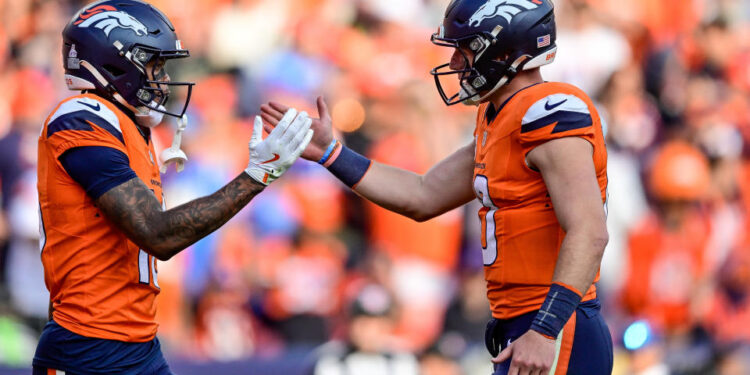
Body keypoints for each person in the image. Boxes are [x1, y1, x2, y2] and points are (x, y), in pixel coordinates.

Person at [261, 0, 612, 373]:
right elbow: (422, 195)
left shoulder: (549, 110)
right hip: (525, 323)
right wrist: (332, 154)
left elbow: (590, 231)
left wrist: (544, 329)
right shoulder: (499, 117)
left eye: (466, 49)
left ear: (504, 50)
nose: (457, 63)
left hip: (555, 324)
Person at [33, 1, 313, 374]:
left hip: (137, 341)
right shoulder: (81, 119)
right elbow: (157, 234)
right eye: (154, 66)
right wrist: (256, 176)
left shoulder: (130, 127)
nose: (162, 79)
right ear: (116, 63)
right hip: (89, 345)